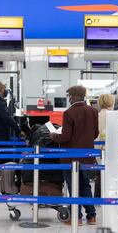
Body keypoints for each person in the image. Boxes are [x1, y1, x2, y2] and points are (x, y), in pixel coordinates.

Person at [50, 85, 99, 226]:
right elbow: (95, 133)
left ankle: (76, 217)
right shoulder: (93, 111)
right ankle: (92, 216)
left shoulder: (69, 113)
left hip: (70, 157)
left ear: (73, 96)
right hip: (87, 156)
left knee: (73, 186)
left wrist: (53, 136)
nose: (69, 99)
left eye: (69, 96)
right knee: (85, 185)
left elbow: (65, 137)